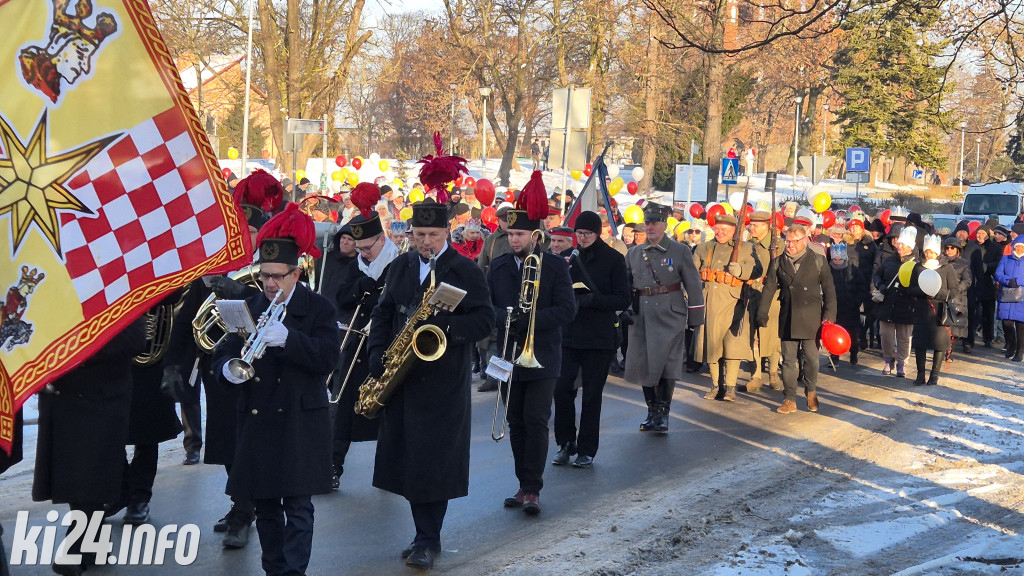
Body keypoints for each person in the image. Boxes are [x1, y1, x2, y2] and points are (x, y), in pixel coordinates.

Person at [213, 205, 341, 576]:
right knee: (266, 508)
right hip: (259, 420)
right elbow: (222, 352)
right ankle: (274, 570)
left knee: (299, 509)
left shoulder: (318, 308)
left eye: (278, 276)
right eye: (265, 276)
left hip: (301, 421)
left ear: (296, 274)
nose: (270, 284)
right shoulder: (249, 306)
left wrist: (290, 340)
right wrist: (227, 371)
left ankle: (294, 572)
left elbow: (329, 358)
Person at [367, 198, 494, 571]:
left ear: (446, 234)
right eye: (419, 234)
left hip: (442, 384)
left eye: (432, 235)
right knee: (409, 462)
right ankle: (422, 532)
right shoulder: (401, 266)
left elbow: (485, 320)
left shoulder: (465, 270)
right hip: (402, 381)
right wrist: (376, 350)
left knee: (433, 464)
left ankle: (428, 539)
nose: (425, 241)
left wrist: (445, 329)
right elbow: (384, 311)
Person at [487, 172, 576, 513]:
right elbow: (489, 307)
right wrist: (505, 318)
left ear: (535, 235)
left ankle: (534, 488)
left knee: (537, 420)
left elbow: (567, 310)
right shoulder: (497, 268)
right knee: (516, 422)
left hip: (542, 356)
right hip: (509, 355)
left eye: (519, 234)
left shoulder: (554, 267)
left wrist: (532, 321)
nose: (513, 240)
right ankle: (522, 484)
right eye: (510, 234)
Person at [34, 317, 147, 575]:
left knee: (90, 476)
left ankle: (75, 550)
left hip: (102, 396)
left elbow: (134, 340)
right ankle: (94, 546)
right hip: (64, 396)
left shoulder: (120, 288)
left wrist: (78, 351)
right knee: (78, 477)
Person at [330, 184, 400, 490]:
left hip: (386, 347)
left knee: (389, 408)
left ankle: (391, 468)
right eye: (359, 250)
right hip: (355, 345)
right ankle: (333, 466)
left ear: (382, 241)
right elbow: (340, 298)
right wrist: (360, 287)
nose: (363, 255)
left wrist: (375, 298)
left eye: (368, 249)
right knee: (342, 406)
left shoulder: (399, 264)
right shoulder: (355, 265)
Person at [552, 211, 630, 468]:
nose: (582, 238)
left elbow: (623, 298)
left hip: (598, 336)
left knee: (592, 396)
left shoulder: (614, 259)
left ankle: (587, 449)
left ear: (598, 233)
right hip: (569, 334)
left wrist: (592, 300)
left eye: (587, 234)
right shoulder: (566, 259)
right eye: (579, 234)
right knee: (562, 390)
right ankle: (565, 443)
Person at [625, 202, 704, 431]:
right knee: (644, 363)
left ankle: (663, 412)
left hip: (670, 312)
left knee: (667, 363)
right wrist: (625, 310)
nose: (649, 227)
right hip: (643, 313)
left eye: (654, 223)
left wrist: (696, 317)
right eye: (647, 223)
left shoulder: (679, 251)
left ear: (664, 225)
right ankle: (651, 410)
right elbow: (625, 285)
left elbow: (693, 284)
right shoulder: (634, 253)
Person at [757, 223, 836, 413]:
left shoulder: (817, 260)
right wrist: (762, 313)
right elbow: (769, 289)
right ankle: (789, 399)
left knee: (811, 358)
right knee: (788, 360)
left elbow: (829, 289)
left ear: (804, 241)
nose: (789, 245)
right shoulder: (777, 262)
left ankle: (811, 391)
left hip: (811, 316)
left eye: (794, 241)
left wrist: (830, 315)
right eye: (788, 241)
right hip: (788, 315)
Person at [694, 212, 759, 402]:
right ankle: (716, 385)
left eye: (725, 230)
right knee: (711, 345)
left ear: (734, 231)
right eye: (717, 228)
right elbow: (691, 272)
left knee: (732, 346)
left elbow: (757, 269)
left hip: (734, 302)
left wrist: (740, 270)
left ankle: (730, 387)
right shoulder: (704, 247)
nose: (720, 232)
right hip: (710, 301)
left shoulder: (745, 248)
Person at [910, 235, 956, 384]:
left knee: (939, 344)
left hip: (939, 310)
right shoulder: (918, 267)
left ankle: (934, 375)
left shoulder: (947, 267)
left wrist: (939, 293)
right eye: (927, 251)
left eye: (932, 252)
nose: (929, 254)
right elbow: (911, 288)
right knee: (920, 344)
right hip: (922, 310)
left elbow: (954, 290)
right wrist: (923, 290)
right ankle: (920, 375)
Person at [873, 225, 917, 377]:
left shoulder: (916, 263)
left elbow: (920, 283)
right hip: (888, 303)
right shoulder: (889, 260)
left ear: (910, 246)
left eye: (902, 244)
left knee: (904, 337)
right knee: (886, 334)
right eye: (898, 243)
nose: (899, 246)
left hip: (907, 304)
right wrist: (880, 285)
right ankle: (888, 360)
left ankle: (902, 363)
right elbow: (877, 275)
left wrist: (911, 291)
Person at [746, 211, 782, 390]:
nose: (752, 228)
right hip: (752, 293)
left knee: (773, 336)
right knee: (753, 336)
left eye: (756, 225)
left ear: (767, 226)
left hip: (773, 296)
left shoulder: (779, 245)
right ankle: (756, 375)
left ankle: (773, 374)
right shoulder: (748, 245)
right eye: (751, 224)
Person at [828, 242, 866, 366]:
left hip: (850, 307)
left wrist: (857, 301)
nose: (837, 261)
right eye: (834, 259)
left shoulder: (853, 269)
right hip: (834, 307)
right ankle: (834, 356)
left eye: (839, 259)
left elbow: (862, 287)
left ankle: (853, 353)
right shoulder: (828, 270)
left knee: (853, 334)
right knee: (834, 334)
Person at [942, 237, 972, 361]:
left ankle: (948, 353)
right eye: (947, 248)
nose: (949, 250)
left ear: (958, 249)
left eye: (952, 248)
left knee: (954, 328)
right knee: (942, 326)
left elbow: (967, 280)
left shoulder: (964, 263)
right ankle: (941, 350)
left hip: (957, 298)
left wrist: (956, 289)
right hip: (942, 295)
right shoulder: (940, 262)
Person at [996, 236, 1024, 361]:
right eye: (1017, 246)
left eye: (1021, 247)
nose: (1018, 249)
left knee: (1020, 325)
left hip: (1022, 295)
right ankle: (1011, 345)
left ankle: (1020, 351)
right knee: (1006, 322)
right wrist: (1008, 280)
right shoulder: (1006, 259)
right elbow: (998, 274)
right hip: (1007, 293)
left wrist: (1017, 281)